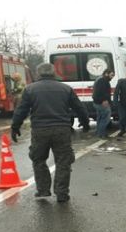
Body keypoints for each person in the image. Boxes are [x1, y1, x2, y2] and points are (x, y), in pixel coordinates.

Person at [11, 63, 90, 203]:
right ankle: (62, 193)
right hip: (62, 130)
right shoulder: (66, 88)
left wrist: (15, 127)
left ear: (38, 73)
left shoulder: (30, 89)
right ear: (54, 73)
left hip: (40, 130)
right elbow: (79, 107)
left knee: (38, 159)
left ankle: (43, 190)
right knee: (63, 161)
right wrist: (85, 123)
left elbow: (21, 110)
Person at [92, 69, 114, 139]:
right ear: (106, 74)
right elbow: (100, 93)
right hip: (102, 103)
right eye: (111, 75)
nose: (112, 77)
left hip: (97, 102)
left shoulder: (100, 79)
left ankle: (100, 133)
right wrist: (104, 100)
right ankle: (102, 134)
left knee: (100, 118)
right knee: (105, 119)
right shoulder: (103, 81)